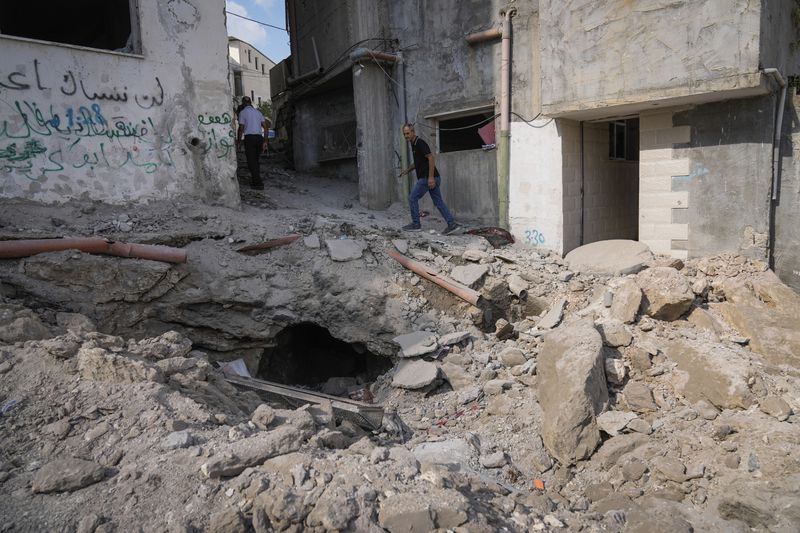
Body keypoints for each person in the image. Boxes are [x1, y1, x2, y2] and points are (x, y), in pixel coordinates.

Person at [399, 123, 460, 234]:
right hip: (433, 177)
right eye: (404, 134)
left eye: (407, 133)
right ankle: (452, 224)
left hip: (428, 178)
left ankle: (416, 224)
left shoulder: (420, 143)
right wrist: (407, 171)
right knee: (438, 202)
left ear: (413, 132)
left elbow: (431, 158)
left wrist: (430, 178)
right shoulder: (413, 144)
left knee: (412, 198)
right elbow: (418, 162)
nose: (406, 136)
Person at [236, 96, 268, 189]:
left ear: (243, 103)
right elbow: (265, 127)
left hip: (249, 138)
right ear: (250, 103)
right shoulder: (258, 112)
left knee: (251, 161)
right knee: (256, 160)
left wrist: (239, 142)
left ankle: (258, 183)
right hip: (259, 138)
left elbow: (241, 128)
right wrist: (265, 141)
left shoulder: (243, 112)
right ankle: (256, 180)